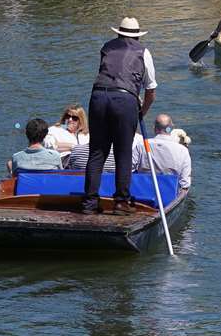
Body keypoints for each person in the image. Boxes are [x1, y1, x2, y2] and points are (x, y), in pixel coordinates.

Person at [82, 17, 158, 215]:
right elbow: (151, 91)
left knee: (97, 152)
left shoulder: (107, 47)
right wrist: (142, 111)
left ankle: (89, 202)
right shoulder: (144, 52)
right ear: (137, 36)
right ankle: (121, 202)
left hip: (98, 96)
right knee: (123, 153)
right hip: (124, 101)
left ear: (118, 33)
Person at [139, 113, 193, 191]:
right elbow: (185, 183)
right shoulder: (182, 150)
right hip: (170, 191)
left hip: (143, 189)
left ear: (154, 128)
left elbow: (131, 169)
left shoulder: (141, 145)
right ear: (170, 129)